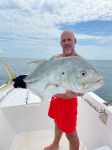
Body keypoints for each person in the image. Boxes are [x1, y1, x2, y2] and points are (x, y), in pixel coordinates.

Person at [44, 30, 84, 150]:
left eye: (69, 39)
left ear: (74, 41)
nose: (66, 42)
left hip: (68, 103)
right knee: (57, 123)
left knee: (71, 135)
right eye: (64, 40)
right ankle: (55, 144)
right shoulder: (55, 58)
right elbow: (44, 75)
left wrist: (78, 91)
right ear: (60, 43)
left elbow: (83, 88)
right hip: (55, 98)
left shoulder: (80, 61)